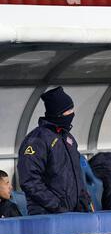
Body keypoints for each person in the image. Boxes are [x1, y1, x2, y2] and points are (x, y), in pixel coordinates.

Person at [17, 86, 92, 215]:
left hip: (71, 214)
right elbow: (29, 180)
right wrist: (57, 206)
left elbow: (76, 175)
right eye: (68, 111)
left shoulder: (68, 138)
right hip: (47, 216)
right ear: (58, 113)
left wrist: (84, 200)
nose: (72, 114)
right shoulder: (37, 140)